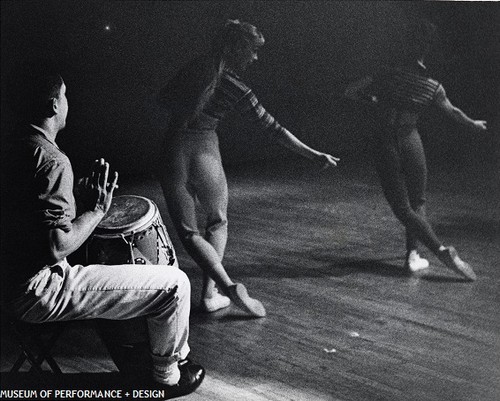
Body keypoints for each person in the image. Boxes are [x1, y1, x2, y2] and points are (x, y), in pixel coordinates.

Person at [0, 62, 204, 399]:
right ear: (54, 105)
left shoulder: (13, 146)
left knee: (111, 266)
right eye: (64, 96)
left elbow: (27, 220)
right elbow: (56, 245)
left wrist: (74, 201)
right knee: (175, 285)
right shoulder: (51, 160)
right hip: (37, 291)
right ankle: (166, 375)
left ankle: (151, 360)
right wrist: (96, 210)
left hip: (7, 280)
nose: (67, 102)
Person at [157, 19, 340, 316]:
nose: (255, 58)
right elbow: (273, 129)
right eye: (253, 51)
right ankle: (211, 294)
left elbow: (162, 99)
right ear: (236, 48)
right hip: (204, 149)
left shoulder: (193, 69)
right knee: (217, 222)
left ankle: (226, 287)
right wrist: (313, 154)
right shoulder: (236, 87)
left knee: (189, 233)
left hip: (172, 149)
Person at [344, 20, 487, 280]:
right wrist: (473, 124)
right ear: (426, 51)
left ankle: (440, 250)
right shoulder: (433, 85)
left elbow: (350, 91)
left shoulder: (387, 73)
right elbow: (453, 112)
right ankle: (412, 255)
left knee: (401, 207)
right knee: (417, 201)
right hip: (412, 139)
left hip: (386, 141)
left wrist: (375, 100)